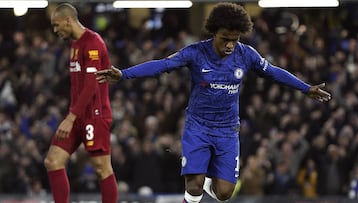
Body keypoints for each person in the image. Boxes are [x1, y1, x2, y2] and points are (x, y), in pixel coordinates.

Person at [96, 2, 331, 202]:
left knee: (224, 194)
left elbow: (274, 72)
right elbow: (162, 64)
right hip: (197, 126)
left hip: (228, 130)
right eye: (225, 39)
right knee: (194, 185)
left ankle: (210, 180)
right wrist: (124, 74)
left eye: (235, 39)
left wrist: (305, 88)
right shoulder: (196, 53)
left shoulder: (246, 54)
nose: (230, 45)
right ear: (214, 33)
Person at [44, 3, 118, 203]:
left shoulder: (93, 42)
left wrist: (70, 117)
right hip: (77, 115)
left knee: (102, 169)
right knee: (53, 161)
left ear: (68, 20)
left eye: (57, 25)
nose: (55, 30)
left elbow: (91, 85)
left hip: (94, 115)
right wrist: (73, 115)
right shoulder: (75, 44)